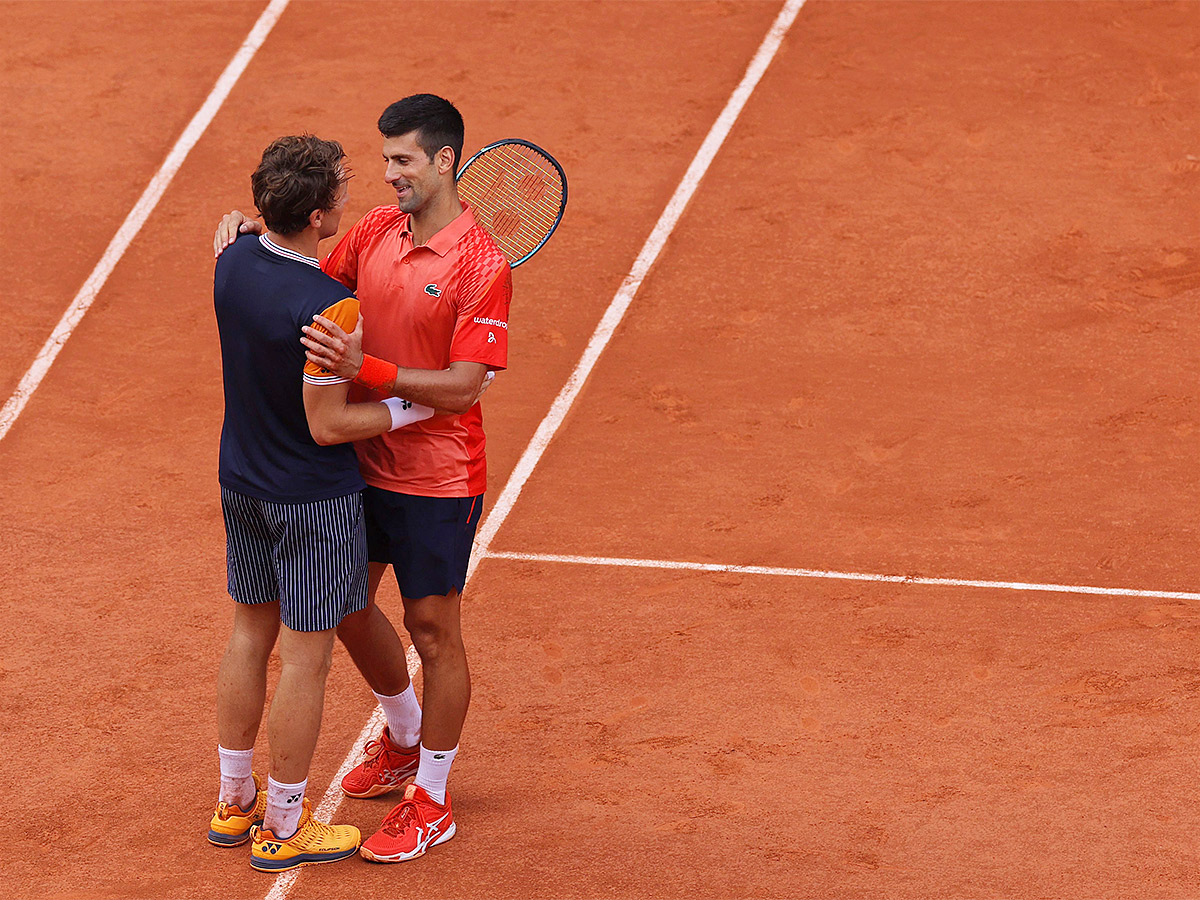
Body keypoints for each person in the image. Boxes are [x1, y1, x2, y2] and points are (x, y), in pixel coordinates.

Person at [214, 94, 512, 864]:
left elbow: (465, 385)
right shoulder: (377, 229)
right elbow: (309, 278)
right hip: (351, 463)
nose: (387, 178)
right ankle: (406, 736)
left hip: (437, 474)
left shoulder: (482, 264)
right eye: (383, 163)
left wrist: (369, 371)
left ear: (444, 161)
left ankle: (434, 797)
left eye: (402, 161)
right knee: (345, 608)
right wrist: (261, 230)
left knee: (432, 631)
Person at [209, 134, 437, 872]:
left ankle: (232, 799)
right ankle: (284, 823)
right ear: (315, 215)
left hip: (241, 483)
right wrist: (411, 409)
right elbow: (328, 423)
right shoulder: (329, 307)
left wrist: (241, 221)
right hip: (311, 501)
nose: (353, 188)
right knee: (305, 661)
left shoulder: (232, 257)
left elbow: (231, 225)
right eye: (341, 185)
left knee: (249, 636)